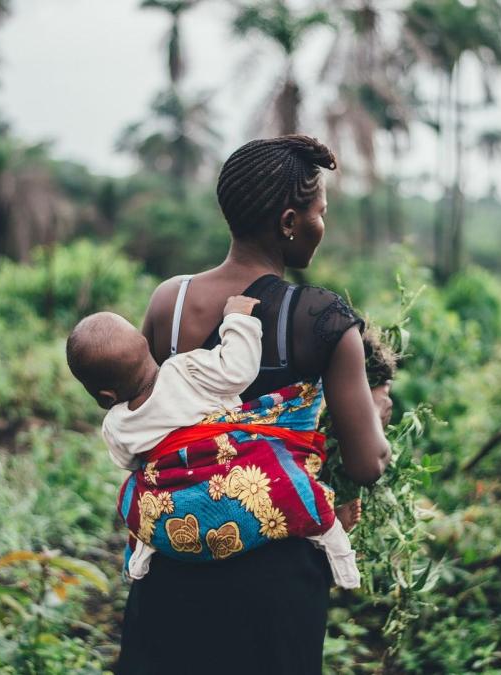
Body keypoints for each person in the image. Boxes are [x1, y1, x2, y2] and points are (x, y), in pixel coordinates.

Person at [116, 135, 393, 675]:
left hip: (174, 559)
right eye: (320, 213)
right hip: (274, 587)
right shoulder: (321, 318)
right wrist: (375, 414)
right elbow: (367, 465)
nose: (322, 226)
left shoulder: (168, 302)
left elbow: (149, 420)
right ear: (290, 221)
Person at [64, 296, 362, 588]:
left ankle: (142, 553)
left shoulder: (116, 424)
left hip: (178, 514)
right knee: (286, 480)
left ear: (105, 397)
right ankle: (336, 546)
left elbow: (131, 463)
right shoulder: (185, 369)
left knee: (133, 494)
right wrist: (237, 318)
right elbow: (238, 370)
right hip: (232, 480)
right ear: (145, 347)